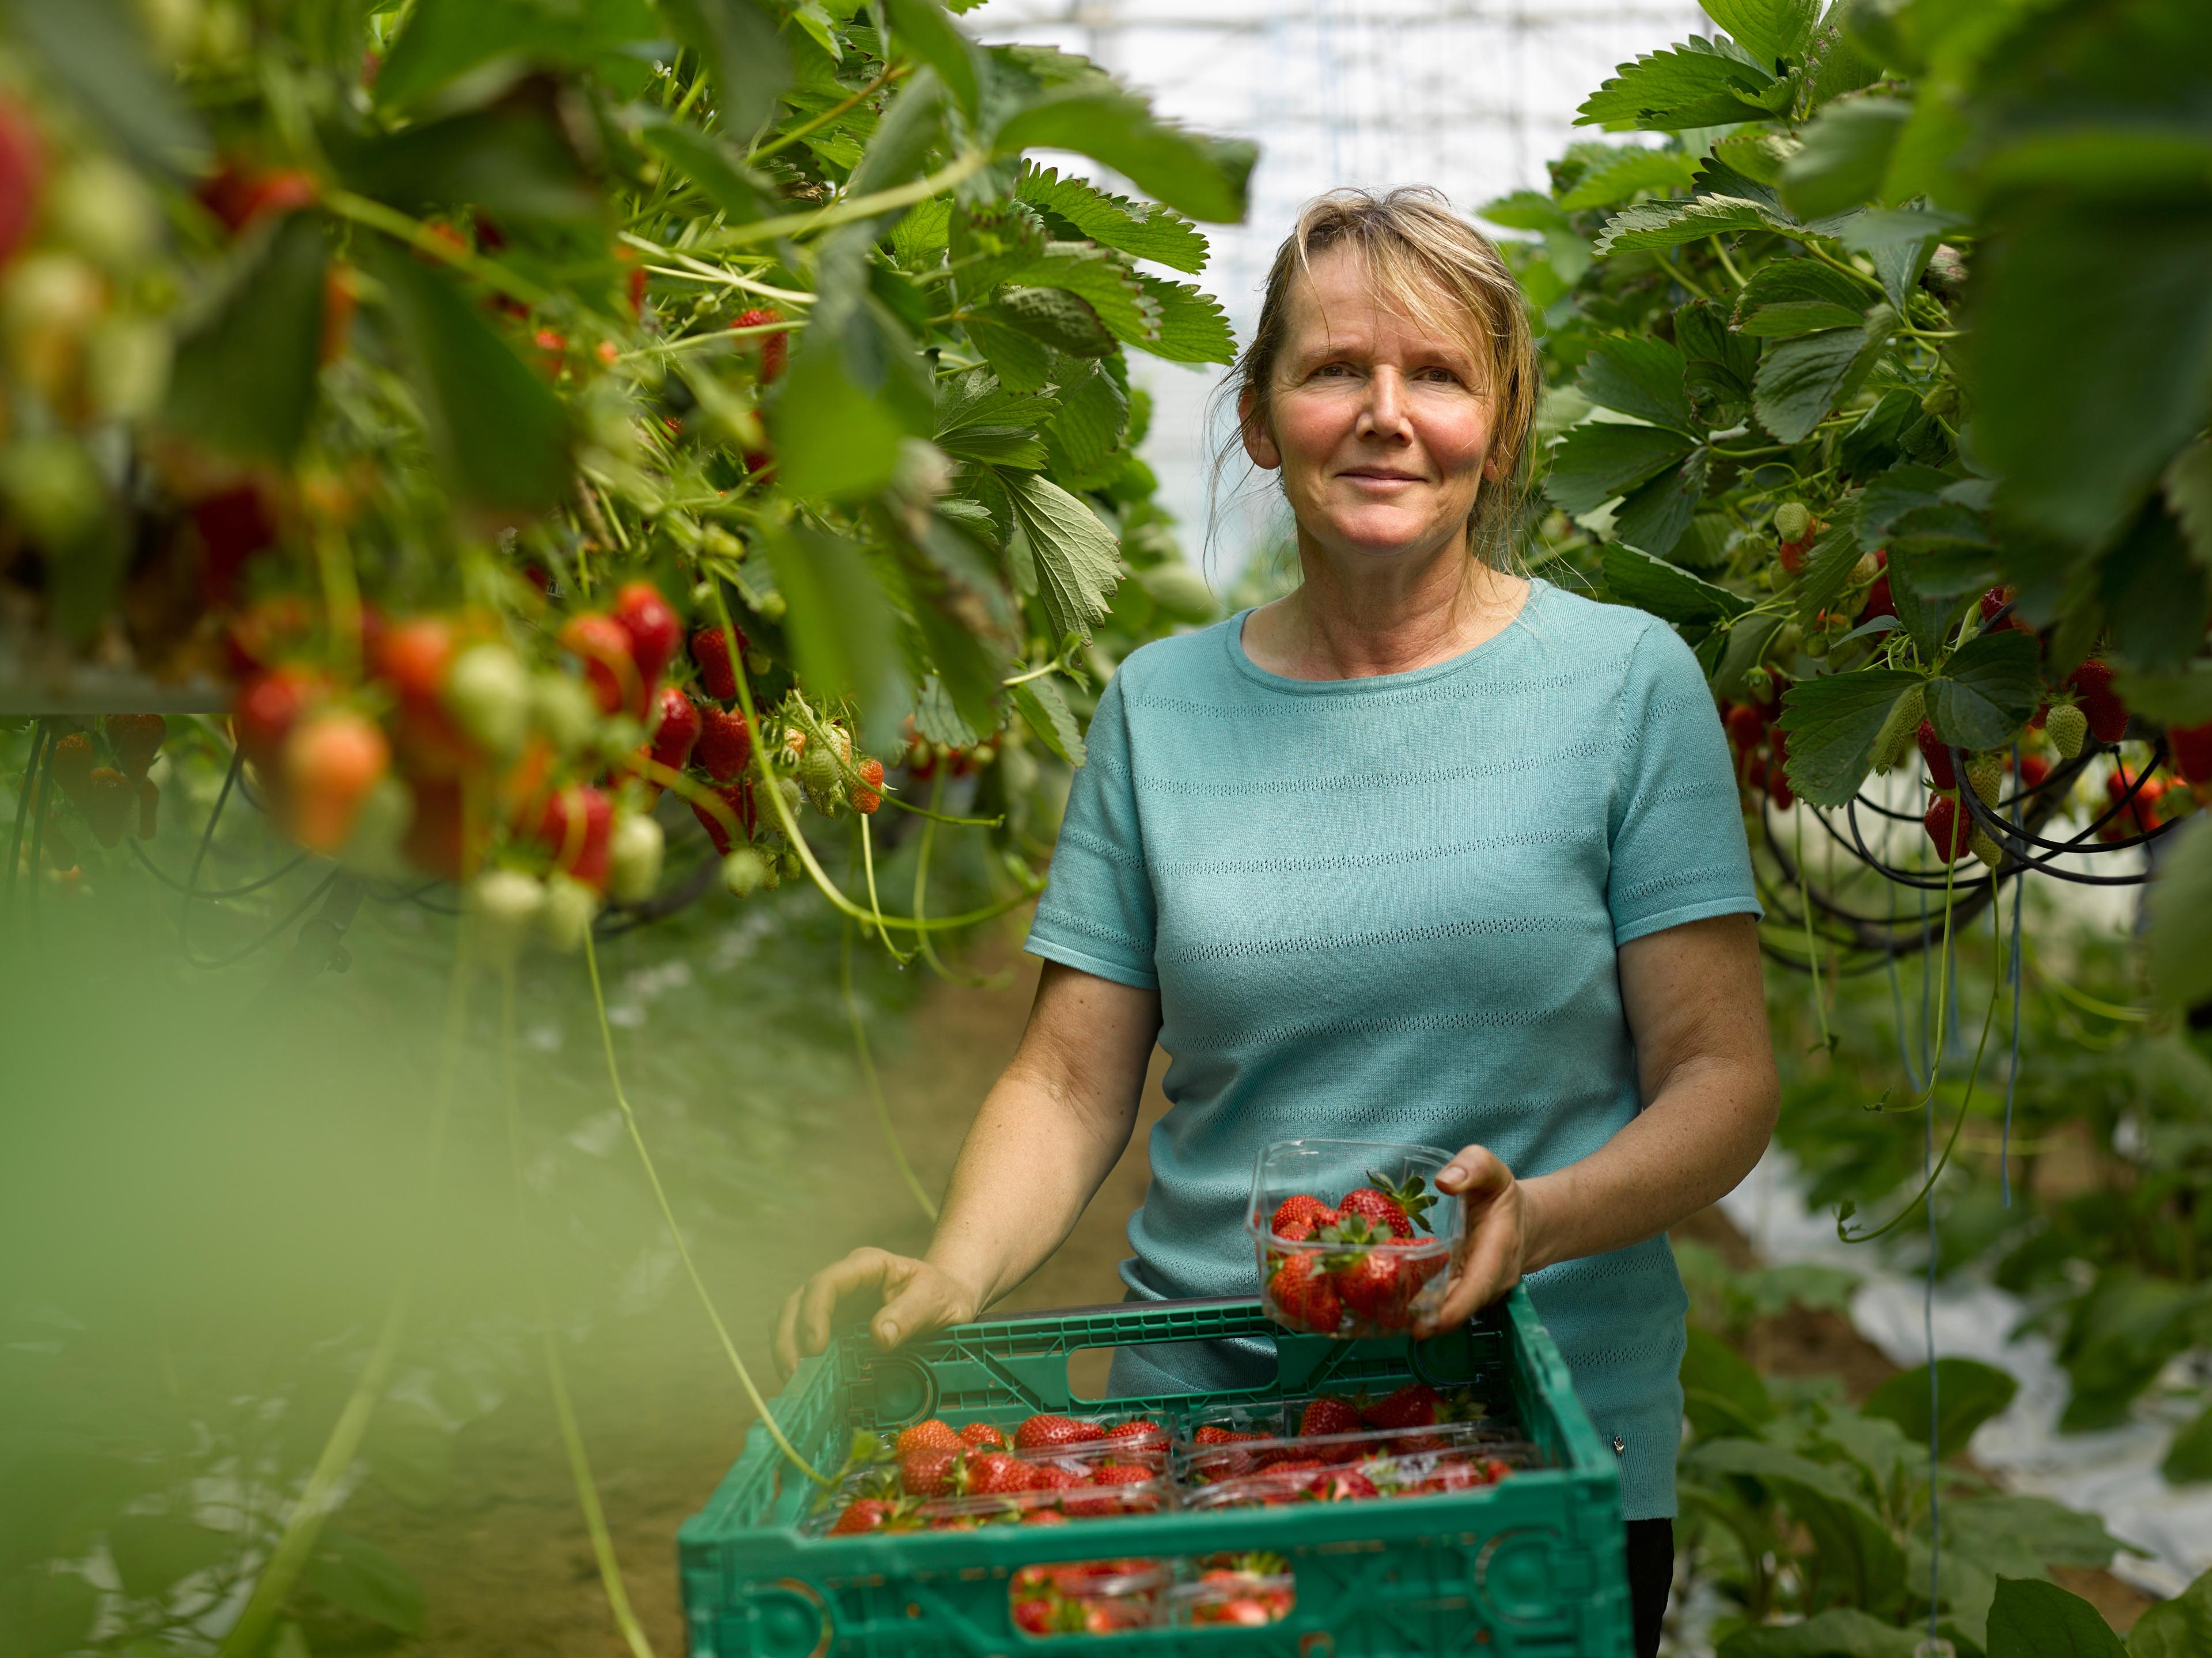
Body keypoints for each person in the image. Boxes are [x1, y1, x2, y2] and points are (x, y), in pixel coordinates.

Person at [774, 187, 1777, 1658]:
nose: (1384, 414)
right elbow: (1067, 1077)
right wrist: (957, 1269)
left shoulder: (1627, 685)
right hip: (1207, 1437)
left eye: (1436, 376)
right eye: (1332, 372)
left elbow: (1723, 1079)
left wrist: (1540, 1218)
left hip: (1537, 1429)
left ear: (1498, 432)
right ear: (1259, 418)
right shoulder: (1159, 706)